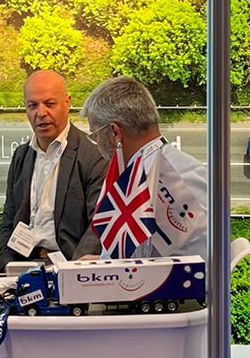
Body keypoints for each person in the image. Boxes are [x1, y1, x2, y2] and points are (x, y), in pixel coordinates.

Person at [82, 76, 207, 257]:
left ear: (115, 132)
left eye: (95, 135)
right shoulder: (180, 165)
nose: (97, 143)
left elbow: (138, 263)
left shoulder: (151, 179)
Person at [0, 69, 108, 266]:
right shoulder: (21, 155)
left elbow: (99, 224)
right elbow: (8, 220)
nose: (41, 113)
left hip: (68, 265)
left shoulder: (94, 155)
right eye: (32, 105)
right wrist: (6, 264)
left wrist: (74, 271)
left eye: (49, 104)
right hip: (22, 264)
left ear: (68, 102)